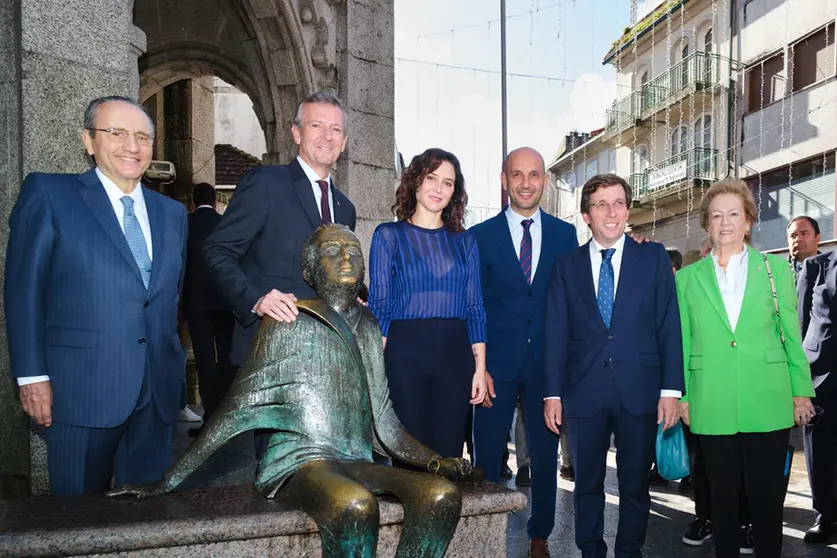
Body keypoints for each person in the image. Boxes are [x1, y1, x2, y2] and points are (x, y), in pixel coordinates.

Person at [108, 225, 475, 558]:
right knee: (355, 505)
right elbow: (235, 410)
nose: (346, 257)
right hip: (301, 461)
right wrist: (168, 480)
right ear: (309, 271)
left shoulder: (368, 325)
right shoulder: (288, 320)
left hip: (355, 459)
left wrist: (433, 461)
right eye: (332, 251)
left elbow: (384, 418)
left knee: (440, 495)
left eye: (353, 250)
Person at [4, 96, 188, 496]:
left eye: (143, 137)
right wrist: (32, 376)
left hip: (156, 394)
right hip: (80, 390)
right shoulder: (51, 195)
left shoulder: (171, 213)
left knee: (147, 515)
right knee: (77, 516)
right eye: (116, 133)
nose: (132, 146)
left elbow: (167, 298)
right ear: (88, 140)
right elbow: (23, 293)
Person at [544, 173, 683, 558]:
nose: (611, 212)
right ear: (586, 215)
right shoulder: (566, 266)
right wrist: (552, 393)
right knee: (586, 483)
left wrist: (671, 390)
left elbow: (669, 325)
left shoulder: (653, 257)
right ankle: (591, 550)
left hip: (640, 390)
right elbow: (555, 332)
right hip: (582, 391)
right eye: (601, 204)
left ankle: (629, 552)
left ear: (627, 210)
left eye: (619, 203)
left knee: (635, 484)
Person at [676, 179, 816, 558]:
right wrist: (683, 395)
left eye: (733, 214)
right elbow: (682, 342)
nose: (725, 222)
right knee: (721, 499)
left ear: (748, 221)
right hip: (711, 398)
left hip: (767, 396)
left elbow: (791, 335)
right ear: (707, 223)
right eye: (716, 215)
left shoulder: (775, 270)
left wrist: (801, 392)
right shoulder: (686, 279)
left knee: (766, 502)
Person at [471, 147, 579, 558]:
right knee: (486, 451)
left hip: (546, 365)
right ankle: (484, 530)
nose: (526, 183)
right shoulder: (480, 236)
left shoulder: (564, 235)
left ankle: (540, 534)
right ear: (504, 180)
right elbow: (474, 304)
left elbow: (570, 301)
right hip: (495, 365)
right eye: (517, 174)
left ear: (544, 181)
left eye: (534, 175)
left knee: (545, 454)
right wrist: (478, 365)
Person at [204, 91, 356, 371]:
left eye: (336, 129)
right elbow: (217, 251)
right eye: (316, 125)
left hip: (324, 354)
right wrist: (256, 299)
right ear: (297, 133)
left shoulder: (345, 208)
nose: (327, 136)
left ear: (344, 142)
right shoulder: (265, 184)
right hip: (268, 350)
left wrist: (353, 296)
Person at [368, 148, 487, 459]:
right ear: (415, 180)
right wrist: (373, 370)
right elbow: (380, 307)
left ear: (454, 192)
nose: (439, 188)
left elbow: (475, 307)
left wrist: (480, 368)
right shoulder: (388, 236)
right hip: (404, 353)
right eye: (432, 178)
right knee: (411, 453)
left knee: (449, 454)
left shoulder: (465, 241)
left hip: (456, 355)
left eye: (448, 183)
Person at [182, 183, 234, 436]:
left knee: (204, 359)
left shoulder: (185, 224)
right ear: (215, 202)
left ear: (193, 202)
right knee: (226, 358)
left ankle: (209, 418)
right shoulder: (226, 224)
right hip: (225, 301)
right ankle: (226, 418)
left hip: (196, 302)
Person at [798, 249, 837, 543]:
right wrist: (799, 377)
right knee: (820, 448)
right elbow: (799, 324)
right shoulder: (816, 266)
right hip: (822, 374)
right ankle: (826, 516)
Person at [787, 216, 821, 285]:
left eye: (804, 233)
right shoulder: (776, 272)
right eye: (793, 236)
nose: (798, 239)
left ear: (817, 238)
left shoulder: (831, 269)